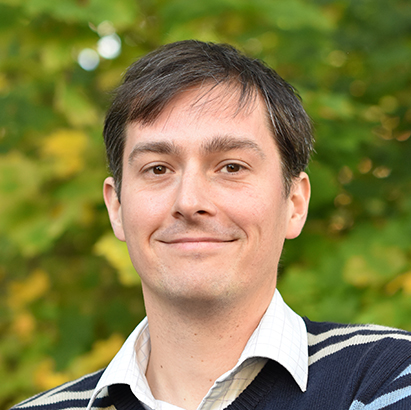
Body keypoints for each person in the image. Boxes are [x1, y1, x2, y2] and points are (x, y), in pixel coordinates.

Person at [12, 40, 411, 410]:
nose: (189, 202)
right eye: (158, 169)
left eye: (231, 167)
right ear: (116, 207)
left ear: (294, 203)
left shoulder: (389, 376)